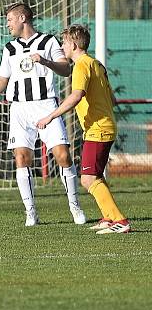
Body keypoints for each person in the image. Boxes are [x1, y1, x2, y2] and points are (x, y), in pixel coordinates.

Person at [0, 3, 86, 227]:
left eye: (9, 20)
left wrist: (45, 61)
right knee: (21, 158)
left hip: (46, 105)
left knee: (63, 155)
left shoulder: (48, 42)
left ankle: (75, 207)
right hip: (19, 108)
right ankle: (31, 212)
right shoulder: (9, 48)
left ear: (21, 19)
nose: (7, 24)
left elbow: (66, 69)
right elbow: (3, 79)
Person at [37, 25, 130, 234]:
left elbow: (76, 95)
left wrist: (51, 116)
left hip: (98, 129)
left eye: (64, 43)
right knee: (96, 175)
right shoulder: (96, 64)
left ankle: (120, 221)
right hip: (103, 126)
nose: (62, 47)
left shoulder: (80, 66)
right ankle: (108, 218)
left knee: (87, 179)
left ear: (73, 44)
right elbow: (112, 99)